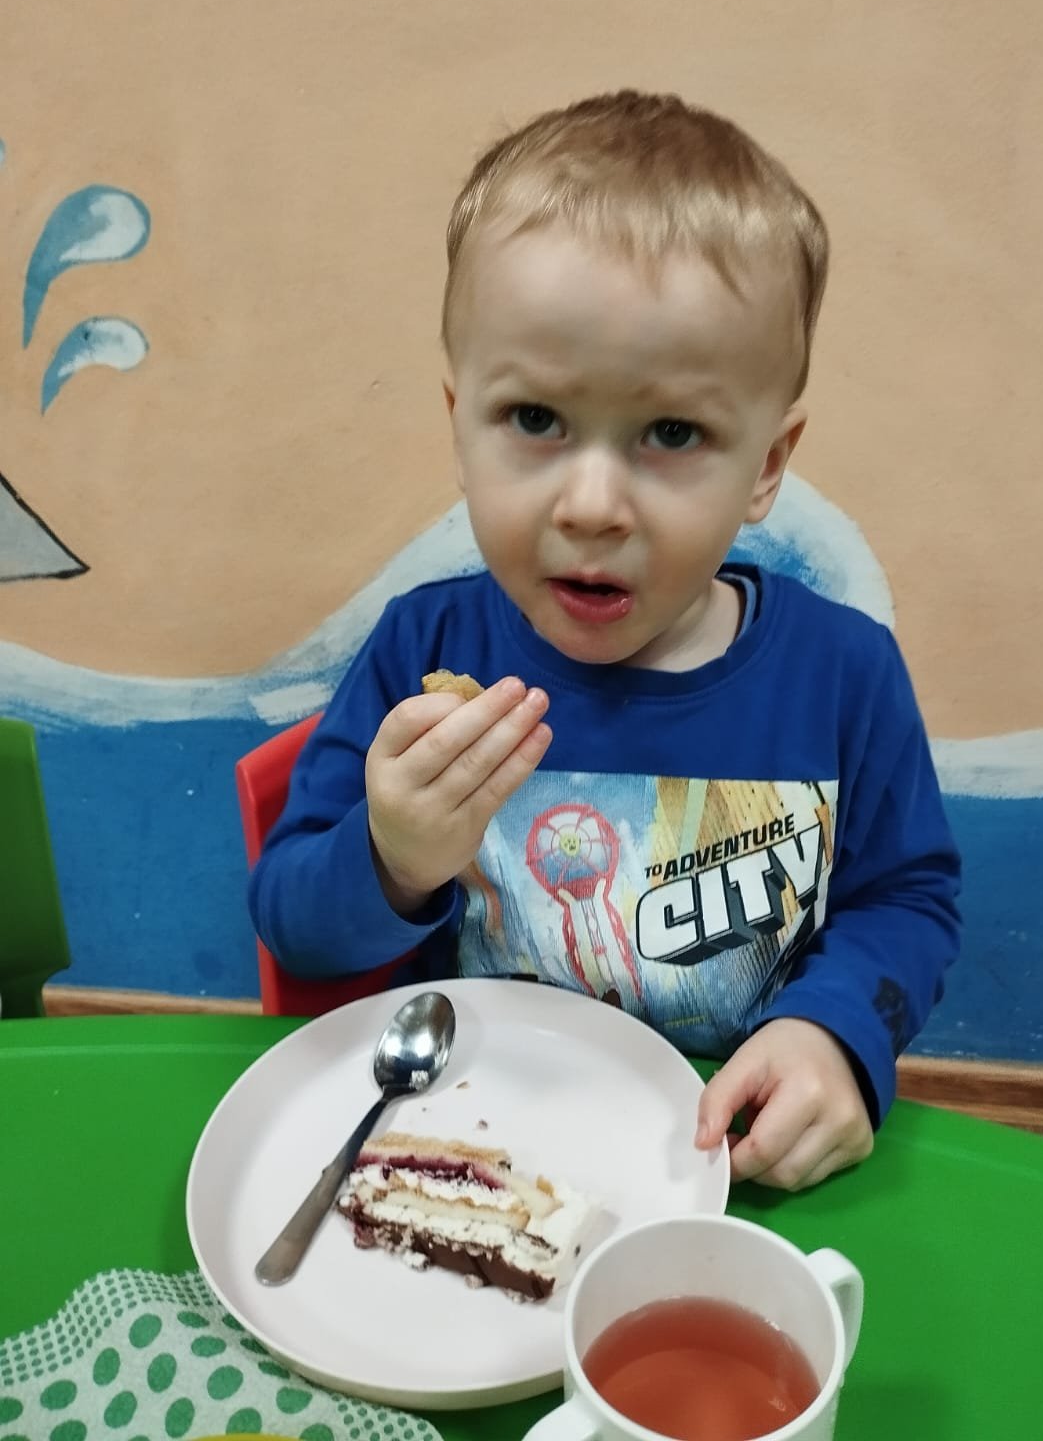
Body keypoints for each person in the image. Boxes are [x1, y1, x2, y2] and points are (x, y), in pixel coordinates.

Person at [250, 89, 961, 1191]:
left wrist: (834, 1032)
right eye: (535, 419)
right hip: (466, 1157)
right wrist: (392, 862)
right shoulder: (421, 646)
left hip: (728, 1166)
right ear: (459, 424)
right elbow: (294, 924)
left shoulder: (843, 674)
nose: (590, 505)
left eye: (671, 432)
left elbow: (906, 901)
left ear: (768, 465)